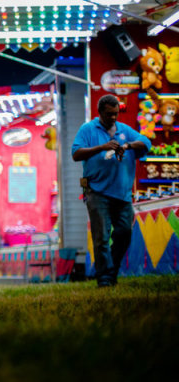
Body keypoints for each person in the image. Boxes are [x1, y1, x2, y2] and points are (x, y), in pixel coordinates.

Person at [72, 94, 150, 288]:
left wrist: (128, 145)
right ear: (100, 113)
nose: (113, 118)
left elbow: (146, 143)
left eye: (116, 114)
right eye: (109, 115)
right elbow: (76, 153)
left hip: (122, 194)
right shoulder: (88, 129)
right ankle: (105, 279)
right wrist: (102, 147)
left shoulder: (125, 131)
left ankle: (111, 270)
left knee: (124, 233)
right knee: (102, 237)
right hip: (96, 191)